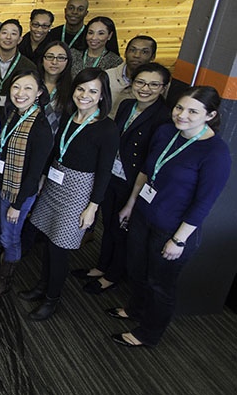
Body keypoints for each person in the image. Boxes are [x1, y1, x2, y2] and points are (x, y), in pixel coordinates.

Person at [108, 86, 231, 347]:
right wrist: (130, 204)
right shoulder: (166, 132)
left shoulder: (215, 152)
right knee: (137, 270)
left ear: (210, 115)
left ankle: (148, 334)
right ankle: (135, 309)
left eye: (192, 111)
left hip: (172, 229)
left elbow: (204, 202)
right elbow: (146, 171)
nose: (182, 115)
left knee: (160, 285)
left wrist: (178, 240)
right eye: (179, 107)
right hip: (143, 214)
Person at [19, 68, 119, 321]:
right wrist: (42, 177)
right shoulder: (68, 117)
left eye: (92, 91)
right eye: (81, 89)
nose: (85, 95)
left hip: (79, 191)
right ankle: (42, 286)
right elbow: (56, 151)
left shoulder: (107, 129)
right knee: (47, 241)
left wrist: (92, 207)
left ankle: (52, 299)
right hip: (55, 182)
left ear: (102, 96)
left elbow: (105, 172)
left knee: (58, 248)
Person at [72, 63, 172, 294]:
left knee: (121, 228)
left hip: (134, 182)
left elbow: (151, 163)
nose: (145, 88)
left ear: (164, 88)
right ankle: (101, 266)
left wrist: (132, 200)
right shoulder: (127, 105)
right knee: (108, 224)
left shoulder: (164, 118)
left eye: (153, 84)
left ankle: (113, 275)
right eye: (140, 82)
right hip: (112, 175)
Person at [0, 70, 53, 300]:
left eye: (28, 88)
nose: (20, 93)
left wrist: (18, 206)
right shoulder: (12, 115)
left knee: (11, 237)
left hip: (18, 194)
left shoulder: (40, 127)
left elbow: (33, 175)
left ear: (39, 92)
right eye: (16, 87)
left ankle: (5, 281)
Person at [0, 20, 38, 113]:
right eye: (4, 33)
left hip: (14, 112)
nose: (8, 37)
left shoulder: (28, 66)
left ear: (20, 39)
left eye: (13, 34)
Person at [106, 36, 158, 118]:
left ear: (153, 57)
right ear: (125, 53)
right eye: (132, 50)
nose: (137, 55)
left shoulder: (157, 84)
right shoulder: (107, 76)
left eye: (144, 52)